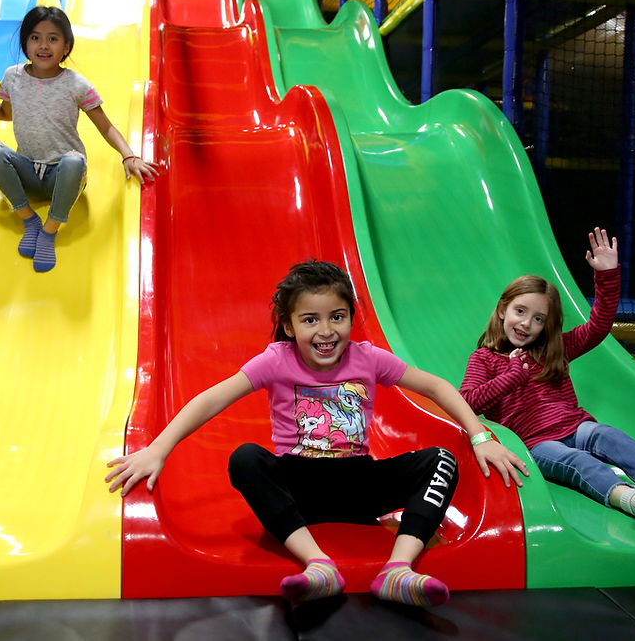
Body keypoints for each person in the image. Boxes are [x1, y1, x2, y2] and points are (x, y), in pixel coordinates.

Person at [105, 260, 528, 607]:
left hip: (360, 484)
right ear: (289, 327)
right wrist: (157, 449)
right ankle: (318, 565)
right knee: (245, 458)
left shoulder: (368, 358)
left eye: (337, 317)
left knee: (440, 460)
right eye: (311, 320)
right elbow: (212, 400)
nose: (326, 331)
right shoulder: (276, 360)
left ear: (350, 319)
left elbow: (436, 386)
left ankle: (398, 569)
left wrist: (480, 436)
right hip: (299, 485)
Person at [459, 228, 635, 533]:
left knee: (606, 434)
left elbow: (599, 325)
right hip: (536, 444)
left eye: (538, 319)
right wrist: (512, 377)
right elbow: (467, 401)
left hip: (576, 427)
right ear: (501, 310)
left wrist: (608, 274)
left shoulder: (555, 349)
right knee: (578, 462)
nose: (526, 323)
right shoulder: (484, 358)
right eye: (520, 311)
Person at [0, 5, 159, 272]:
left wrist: (129, 155)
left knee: (75, 161)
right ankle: (29, 220)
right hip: (27, 172)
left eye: (53, 38)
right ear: (25, 43)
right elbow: (7, 113)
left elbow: (106, 127)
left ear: (66, 46)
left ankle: (49, 230)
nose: (43, 45)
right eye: (35, 37)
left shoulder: (76, 85)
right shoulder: (12, 77)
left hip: (64, 177)